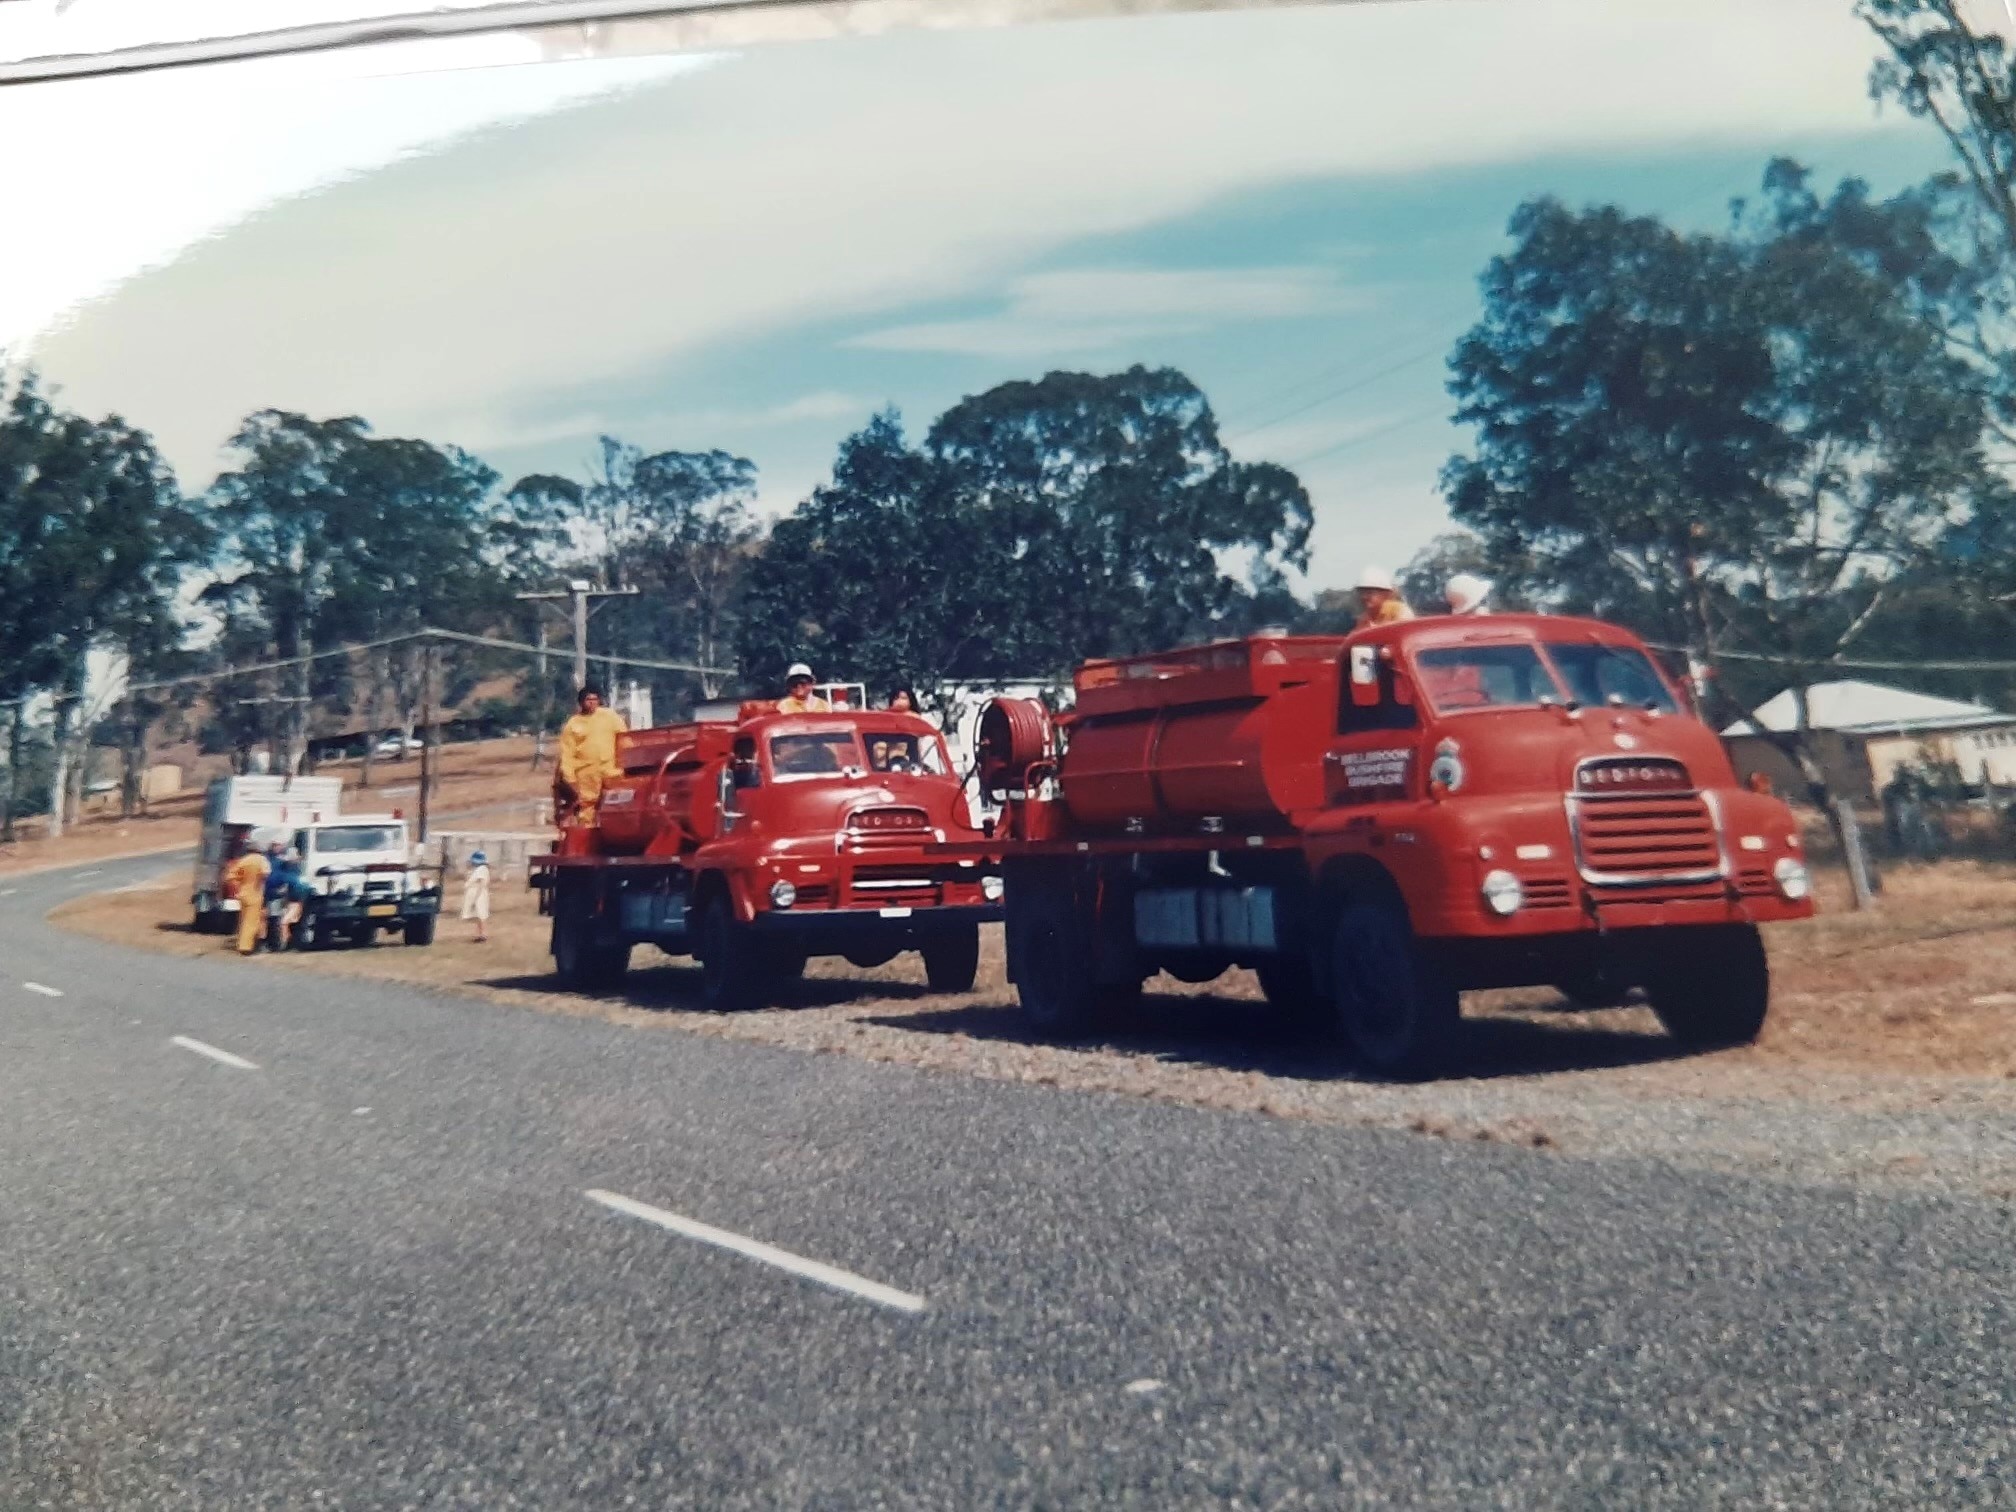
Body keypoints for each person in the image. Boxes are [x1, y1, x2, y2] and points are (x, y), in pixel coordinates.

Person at [556, 684, 628, 825]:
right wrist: (570, 779)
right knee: (587, 808)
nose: (592, 702)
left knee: (618, 803)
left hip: (611, 769)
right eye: (589, 699)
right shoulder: (573, 724)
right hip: (586, 773)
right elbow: (567, 754)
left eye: (595, 699)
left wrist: (628, 763)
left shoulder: (610, 716)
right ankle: (588, 838)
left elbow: (624, 739)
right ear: (581, 702)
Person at [226, 842, 272, 957]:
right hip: (255, 894)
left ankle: (241, 943)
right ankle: (246, 947)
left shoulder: (243, 860)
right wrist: (260, 881)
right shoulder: (261, 860)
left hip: (243, 893)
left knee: (243, 920)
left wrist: (238, 886)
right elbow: (265, 873)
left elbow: (231, 876)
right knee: (252, 922)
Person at [264, 845, 307, 951]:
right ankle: (280, 944)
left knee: (285, 922)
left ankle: (287, 944)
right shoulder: (283, 868)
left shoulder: (295, 872)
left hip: (293, 899)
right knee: (277, 920)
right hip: (280, 898)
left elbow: (297, 886)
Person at [1353, 566, 1415, 631]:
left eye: (1370, 593)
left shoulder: (1400, 611)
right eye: (1362, 593)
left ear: (1385, 594)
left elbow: (1405, 633)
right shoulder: (1364, 619)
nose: (1364, 597)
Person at [461, 849, 492, 943]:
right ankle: (479, 933)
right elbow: (467, 879)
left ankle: (482, 934)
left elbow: (482, 883)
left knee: (481, 914)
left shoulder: (482, 870)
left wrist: (477, 897)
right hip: (474, 893)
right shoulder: (475, 870)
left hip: (479, 894)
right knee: (477, 915)